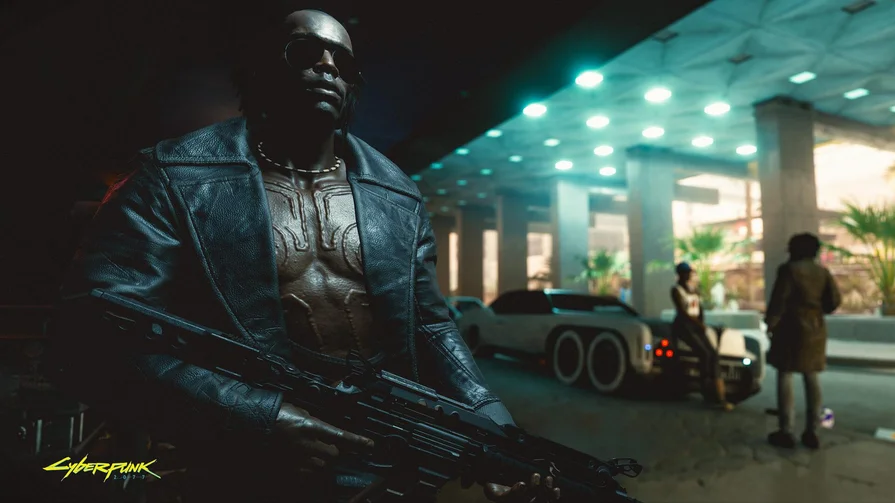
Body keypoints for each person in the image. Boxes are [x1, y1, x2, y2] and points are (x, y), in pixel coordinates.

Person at [49, 7, 559, 503]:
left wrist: (493, 426)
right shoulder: (175, 177)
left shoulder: (396, 193)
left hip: (382, 457)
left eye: (343, 60)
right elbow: (90, 332)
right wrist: (257, 415)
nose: (328, 66)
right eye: (305, 51)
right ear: (260, 68)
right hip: (245, 465)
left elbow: (429, 324)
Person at [765, 233, 841, 449]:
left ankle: (786, 430)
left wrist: (770, 323)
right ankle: (812, 431)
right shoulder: (822, 272)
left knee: (785, 375)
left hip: (790, 328)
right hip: (815, 329)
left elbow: (779, 300)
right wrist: (817, 309)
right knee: (811, 377)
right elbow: (834, 301)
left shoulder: (788, 270)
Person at [670, 262, 734, 411]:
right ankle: (706, 388)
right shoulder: (676, 290)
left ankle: (716, 388)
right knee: (704, 354)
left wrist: (702, 323)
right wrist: (699, 324)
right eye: (685, 273)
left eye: (689, 272)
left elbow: (699, 308)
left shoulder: (693, 289)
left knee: (713, 353)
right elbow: (682, 312)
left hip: (696, 326)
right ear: (679, 274)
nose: (688, 275)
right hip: (684, 327)